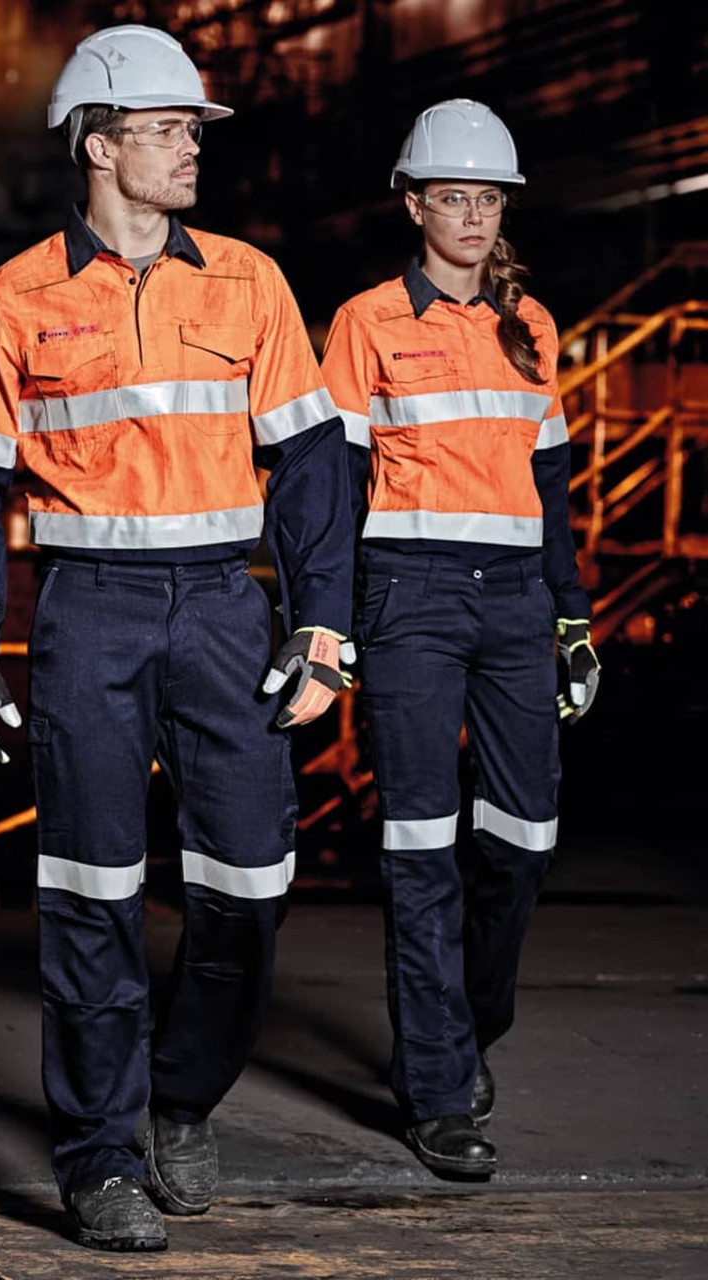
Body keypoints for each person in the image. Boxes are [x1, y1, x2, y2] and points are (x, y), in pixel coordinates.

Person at [0, 25, 353, 1251]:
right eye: (168, 130)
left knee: (248, 891)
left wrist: (321, 626)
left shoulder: (253, 283)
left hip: (227, 610)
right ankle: (99, 1155)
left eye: (190, 132)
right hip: (86, 616)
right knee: (91, 896)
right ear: (100, 145)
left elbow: (314, 466)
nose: (189, 149)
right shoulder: (13, 297)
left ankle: (180, 1095)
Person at [320, 99, 599, 1179]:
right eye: (453, 197)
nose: (473, 215)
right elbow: (334, 482)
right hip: (409, 599)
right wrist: (326, 617)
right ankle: (436, 1088)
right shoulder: (364, 323)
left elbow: (553, 484)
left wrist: (572, 617)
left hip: (516, 602)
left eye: (487, 199)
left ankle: (468, 1022)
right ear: (414, 203)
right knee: (418, 845)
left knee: (521, 841)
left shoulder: (533, 327)